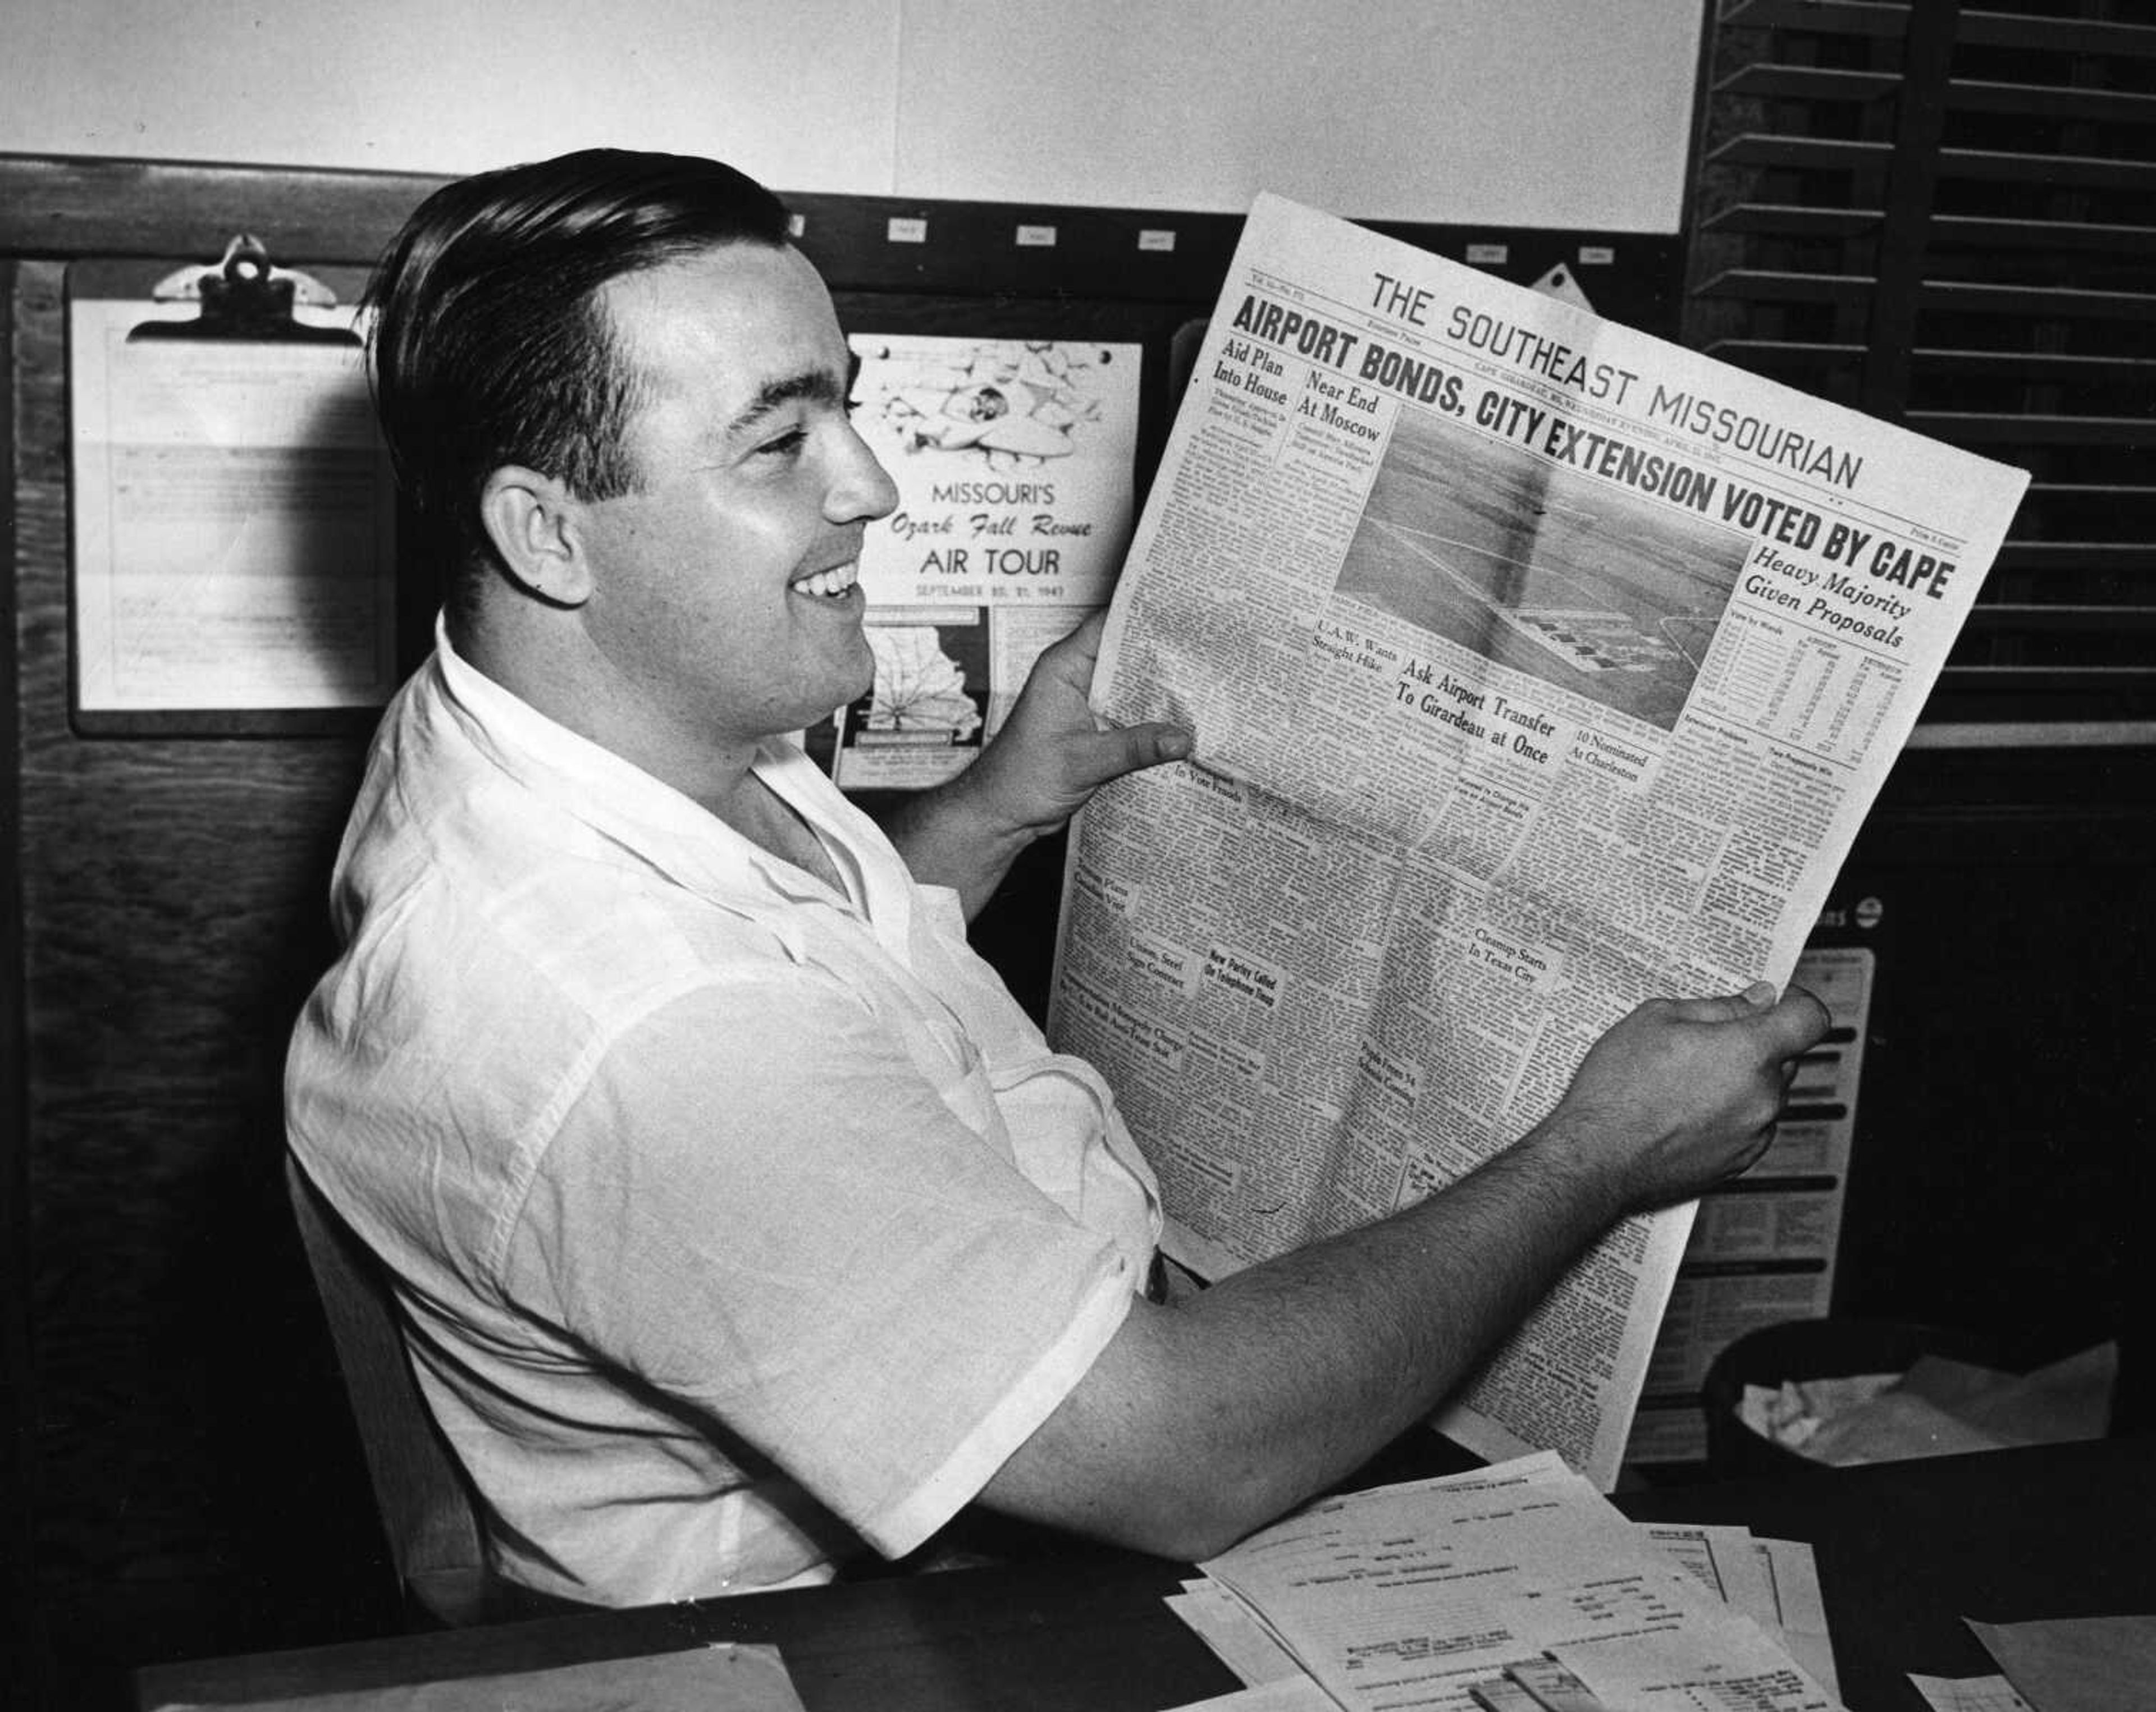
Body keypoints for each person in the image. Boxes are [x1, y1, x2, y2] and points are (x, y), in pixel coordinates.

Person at [286, 148, 1829, 1609]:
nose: (875, 485)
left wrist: (995, 811)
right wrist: (1598, 1154)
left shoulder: (560, 714)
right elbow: (1180, 1460)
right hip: (927, 1608)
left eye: (851, 408)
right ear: (546, 532)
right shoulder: (636, 1023)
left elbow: (793, 955)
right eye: (781, 442)